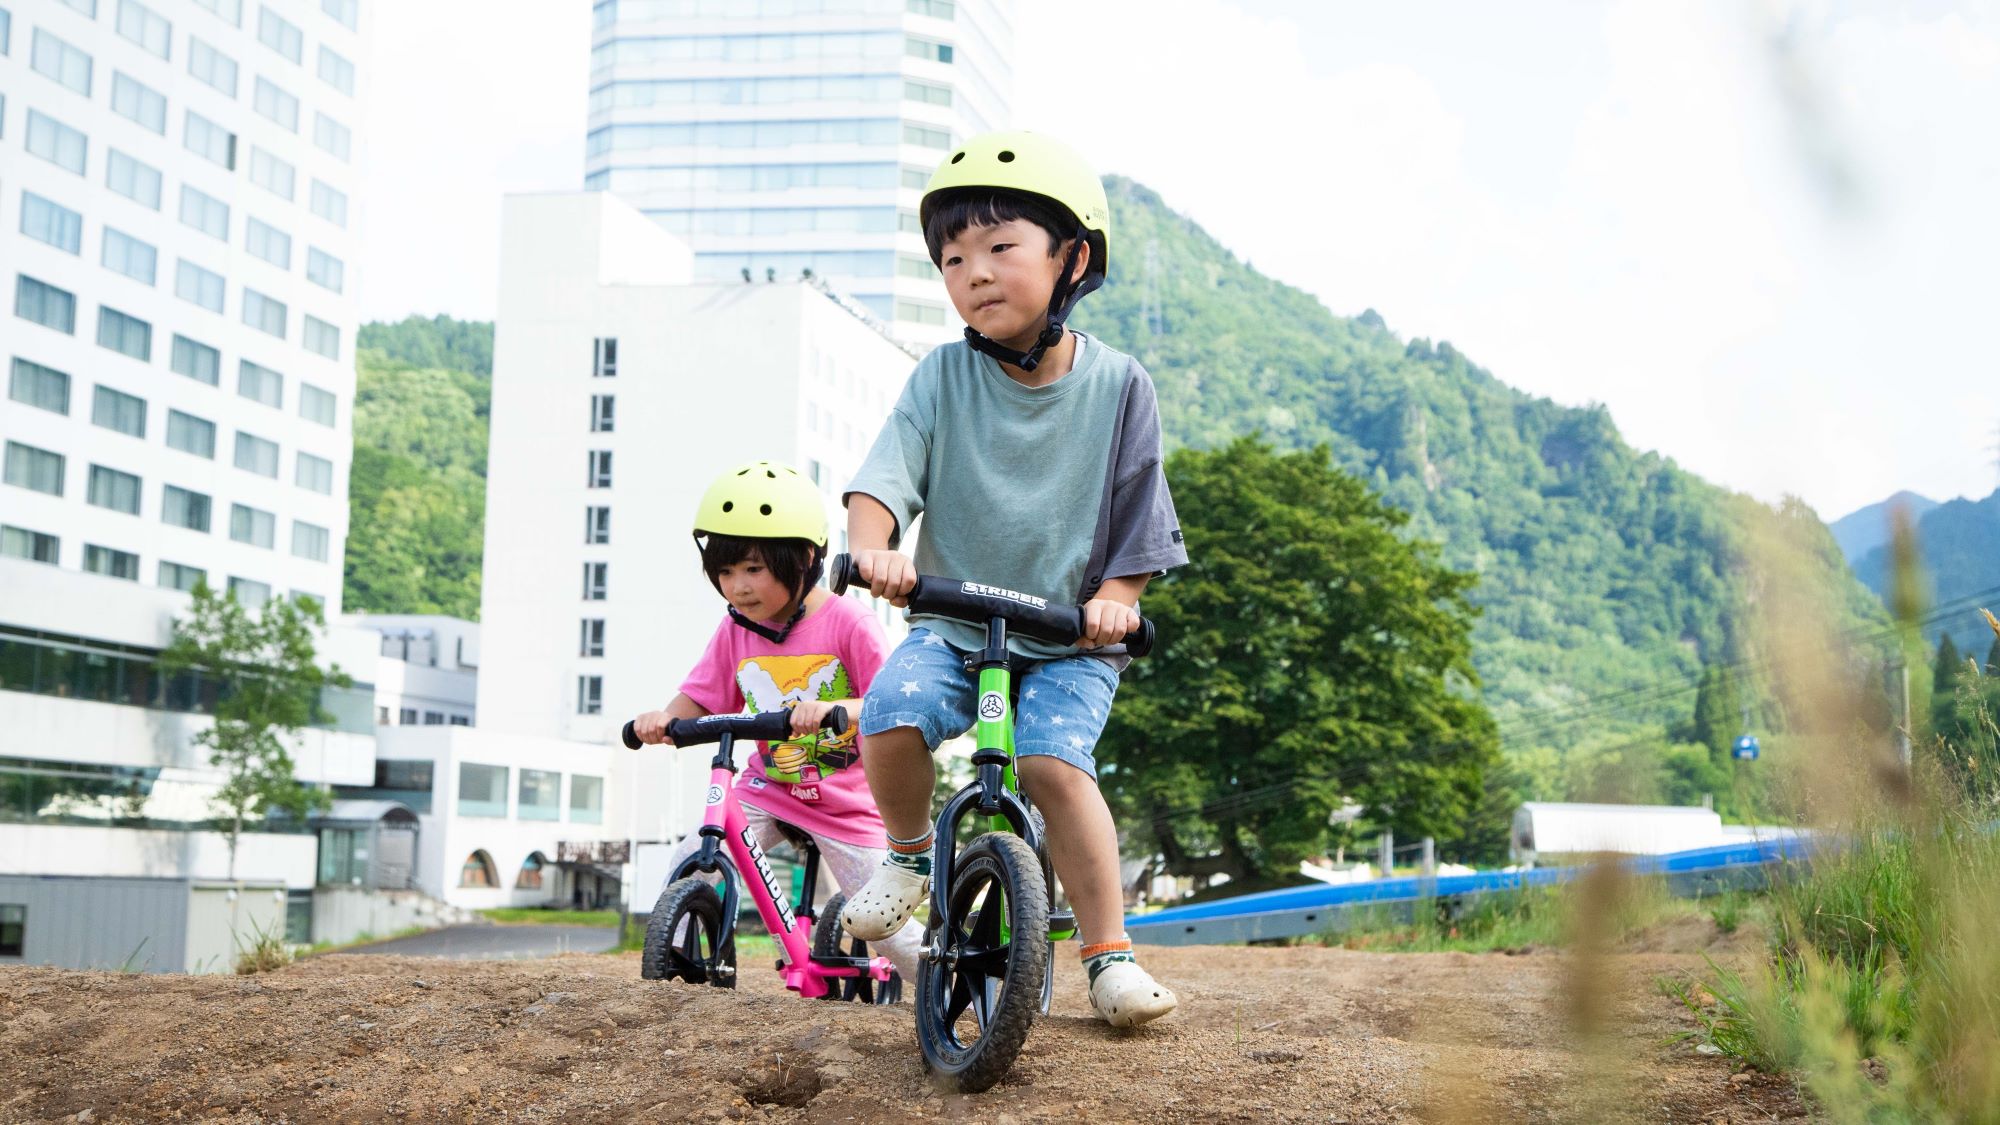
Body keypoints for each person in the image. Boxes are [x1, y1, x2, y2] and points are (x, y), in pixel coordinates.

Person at [837, 132, 1188, 1027]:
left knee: (1052, 762)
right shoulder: (942, 378)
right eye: (954, 258)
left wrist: (1120, 601)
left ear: (1071, 258)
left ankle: (1109, 955)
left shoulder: (1119, 385)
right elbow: (885, 477)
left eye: (1001, 247)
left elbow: (1141, 512)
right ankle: (912, 856)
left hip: (1073, 636)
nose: (976, 273)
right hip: (956, 625)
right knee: (890, 713)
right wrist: (873, 545)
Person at [630, 461, 921, 984]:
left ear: (805, 558)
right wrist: (663, 721)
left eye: (752, 569)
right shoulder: (736, 628)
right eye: (724, 573)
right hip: (770, 788)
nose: (737, 587)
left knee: (886, 924)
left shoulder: (848, 621)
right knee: (690, 857)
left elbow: (888, 700)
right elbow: (701, 694)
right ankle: (673, 967)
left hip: (847, 802)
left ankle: (958, 995)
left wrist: (837, 710)